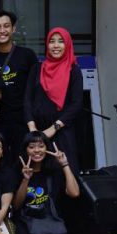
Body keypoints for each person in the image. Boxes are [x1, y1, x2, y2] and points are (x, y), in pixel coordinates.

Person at [24, 27, 83, 174]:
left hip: (61, 132)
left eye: (61, 41)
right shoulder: (36, 69)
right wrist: (32, 128)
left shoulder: (73, 70)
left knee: (65, 175)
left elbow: (77, 104)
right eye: (52, 41)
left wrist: (53, 129)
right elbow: (27, 100)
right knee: (36, 176)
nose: (56, 45)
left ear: (68, 45)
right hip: (37, 133)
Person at [0, 10, 38, 155]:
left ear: (13, 28)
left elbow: (36, 89)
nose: (2, 31)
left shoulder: (28, 56)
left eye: (6, 26)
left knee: (22, 161)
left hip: (22, 120)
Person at [13, 132, 80, 234]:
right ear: (26, 150)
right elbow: (16, 205)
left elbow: (74, 193)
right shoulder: (17, 170)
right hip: (28, 226)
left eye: (41, 146)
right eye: (32, 147)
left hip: (53, 224)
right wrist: (25, 179)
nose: (37, 150)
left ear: (47, 148)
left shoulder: (54, 170)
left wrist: (64, 164)